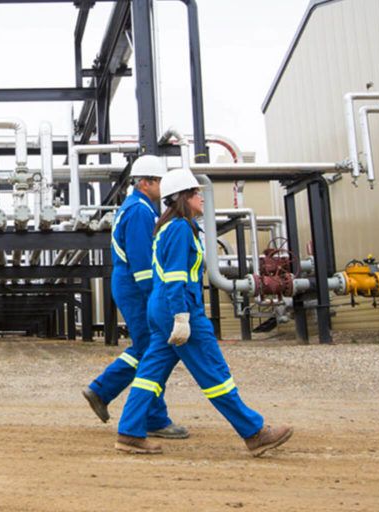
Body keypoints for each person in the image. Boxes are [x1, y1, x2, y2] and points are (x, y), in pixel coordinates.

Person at [115, 168, 293, 456]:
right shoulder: (180, 229)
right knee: (214, 372)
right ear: (183, 197)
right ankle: (254, 432)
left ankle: (130, 432)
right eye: (195, 192)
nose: (201, 197)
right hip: (179, 307)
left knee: (151, 371)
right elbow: (175, 277)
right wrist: (181, 316)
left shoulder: (170, 228)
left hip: (162, 308)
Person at [83, 155, 188, 439]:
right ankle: (152, 417)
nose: (164, 188)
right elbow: (142, 262)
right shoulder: (140, 211)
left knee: (147, 348)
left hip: (129, 285)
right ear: (145, 183)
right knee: (153, 350)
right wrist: (155, 296)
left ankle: (102, 390)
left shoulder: (136, 207)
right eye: (160, 181)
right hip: (136, 287)